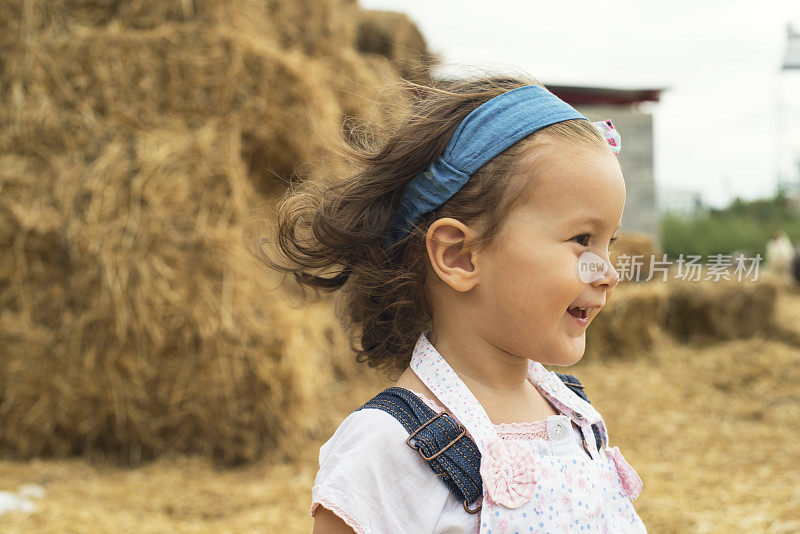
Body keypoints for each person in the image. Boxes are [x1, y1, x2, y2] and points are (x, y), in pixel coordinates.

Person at [262, 75, 646, 533]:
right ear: (459, 256)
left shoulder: (573, 414)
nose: (607, 273)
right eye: (583, 240)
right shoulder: (387, 450)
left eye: (610, 243)